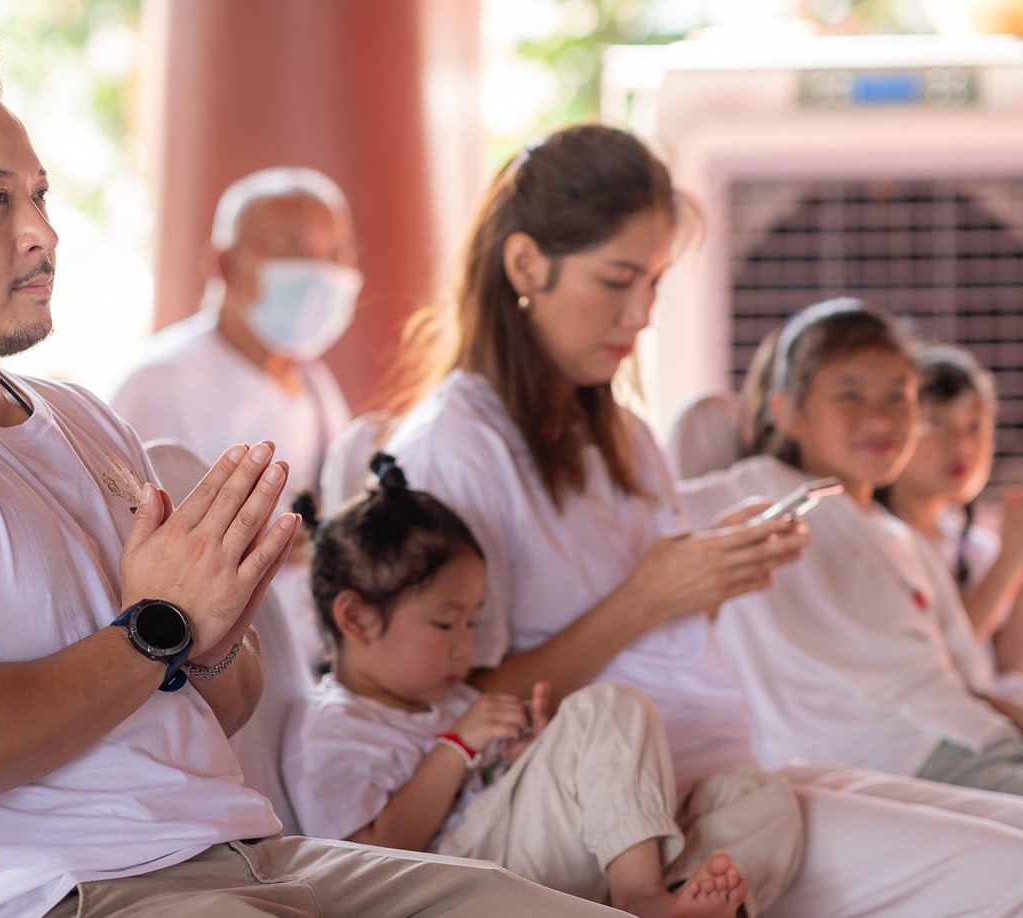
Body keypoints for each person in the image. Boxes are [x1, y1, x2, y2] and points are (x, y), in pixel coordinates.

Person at [0, 32, 628, 918]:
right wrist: (156, 627)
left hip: (249, 857)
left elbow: (226, 701)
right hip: (65, 894)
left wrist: (209, 621)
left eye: (39, 194)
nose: (42, 231)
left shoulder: (80, 417)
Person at [379, 123, 1023, 917]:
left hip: (706, 776)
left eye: (653, 283)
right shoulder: (457, 444)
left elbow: (658, 636)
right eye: (618, 280)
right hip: (587, 807)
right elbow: (454, 707)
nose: (640, 314)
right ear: (525, 265)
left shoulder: (618, 433)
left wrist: (718, 573)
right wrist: (653, 594)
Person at [285, 452, 753, 918]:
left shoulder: (451, 700)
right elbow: (368, 861)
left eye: (472, 623)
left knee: (753, 798)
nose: (464, 646)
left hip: (527, 862)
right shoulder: (330, 728)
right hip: (453, 884)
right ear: (356, 617)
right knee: (606, 707)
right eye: (446, 624)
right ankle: (642, 898)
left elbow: (495, 797)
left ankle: (666, 898)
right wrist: (456, 746)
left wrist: (520, 761)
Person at [679, 299, 1023, 796]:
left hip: (977, 742)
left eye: (898, 397)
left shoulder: (903, 538)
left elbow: (969, 678)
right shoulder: (761, 490)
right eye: (850, 396)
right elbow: (641, 511)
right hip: (886, 759)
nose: (880, 418)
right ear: (788, 413)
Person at [111, 167, 360, 668]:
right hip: (209, 663)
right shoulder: (162, 383)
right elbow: (128, 544)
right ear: (225, 265)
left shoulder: (313, 380)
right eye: (296, 254)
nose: (322, 274)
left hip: (311, 657)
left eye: (334, 254)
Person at [876, 342, 1023, 680]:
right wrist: (1009, 559)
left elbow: (1009, 668)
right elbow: (941, 664)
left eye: (975, 426)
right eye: (937, 422)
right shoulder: (878, 541)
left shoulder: (977, 549)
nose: (961, 444)